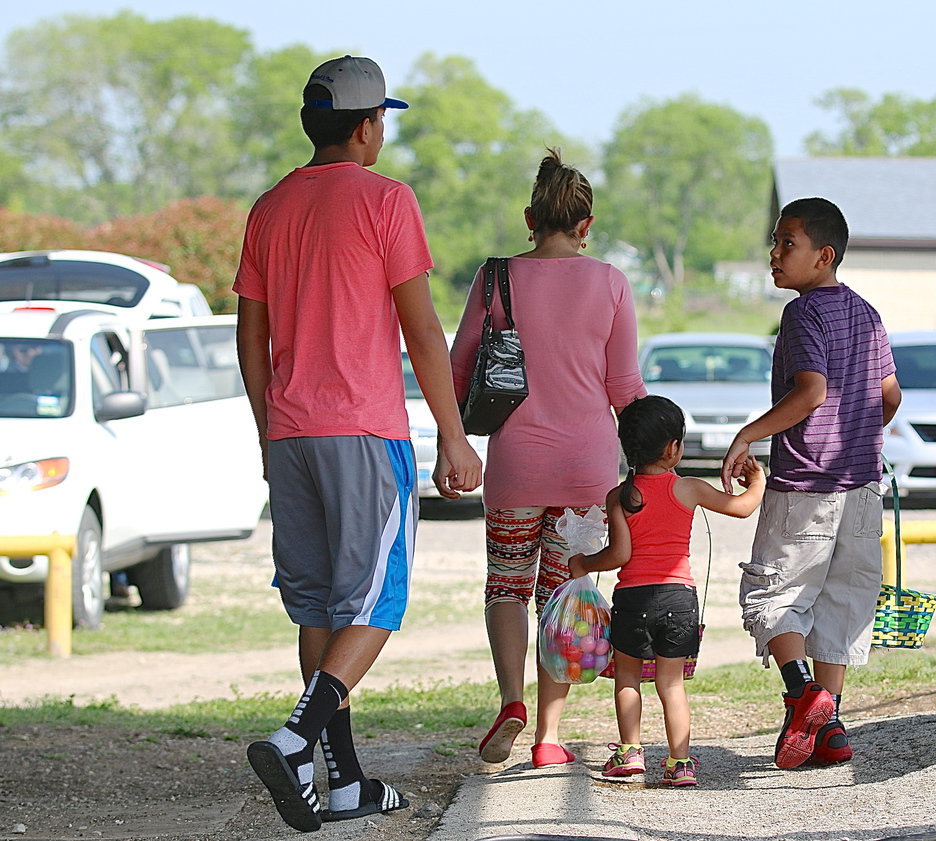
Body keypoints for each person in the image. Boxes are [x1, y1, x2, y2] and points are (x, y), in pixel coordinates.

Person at [234, 55, 482, 832]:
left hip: (291, 433)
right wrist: (452, 433)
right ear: (369, 125)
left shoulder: (270, 207)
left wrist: (267, 426)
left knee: (318, 606)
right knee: (377, 600)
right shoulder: (386, 199)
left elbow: (251, 334)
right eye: (383, 120)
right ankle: (297, 735)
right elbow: (421, 326)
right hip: (365, 432)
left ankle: (343, 783)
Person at [450, 148, 646, 769]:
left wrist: (447, 444)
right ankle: (548, 735)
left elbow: (460, 371)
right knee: (562, 593)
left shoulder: (495, 277)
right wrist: (651, 461)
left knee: (506, 585)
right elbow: (624, 388)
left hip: (515, 465)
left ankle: (510, 700)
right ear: (585, 226)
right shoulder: (610, 282)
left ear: (530, 217)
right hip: (587, 470)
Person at [721, 197, 902, 771]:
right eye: (774, 242)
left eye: (788, 243)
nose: (774, 254)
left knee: (774, 594)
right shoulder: (868, 314)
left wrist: (746, 435)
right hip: (862, 487)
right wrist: (859, 437)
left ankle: (802, 693)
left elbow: (810, 393)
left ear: (824, 256)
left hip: (805, 484)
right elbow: (890, 396)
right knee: (841, 606)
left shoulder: (804, 315)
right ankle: (832, 730)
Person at [567, 395, 765, 787]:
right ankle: (680, 763)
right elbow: (743, 508)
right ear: (673, 447)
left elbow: (620, 554)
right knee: (670, 684)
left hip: (633, 599)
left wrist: (583, 564)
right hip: (679, 599)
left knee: (627, 679)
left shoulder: (621, 496)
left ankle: (630, 753)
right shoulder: (689, 488)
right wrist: (758, 480)